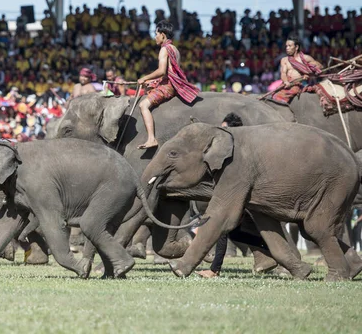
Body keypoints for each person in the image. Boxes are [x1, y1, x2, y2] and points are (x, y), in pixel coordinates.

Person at [196, 113, 268, 278]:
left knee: (222, 230)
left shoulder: (238, 147)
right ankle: (270, 249)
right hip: (237, 194)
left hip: (240, 194)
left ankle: (214, 270)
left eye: (225, 128)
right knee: (234, 234)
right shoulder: (231, 145)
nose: (222, 130)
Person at [137, 20, 200, 149]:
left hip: (169, 86)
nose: (155, 37)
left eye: (156, 34)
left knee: (143, 105)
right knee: (147, 87)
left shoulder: (164, 49)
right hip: (171, 83)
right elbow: (168, 73)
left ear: (163, 35)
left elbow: (161, 71)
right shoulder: (175, 49)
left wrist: (145, 77)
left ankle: (151, 139)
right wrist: (150, 82)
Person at [272, 34, 323, 105]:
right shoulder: (284, 60)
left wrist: (308, 73)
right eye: (286, 46)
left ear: (296, 47)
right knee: (274, 95)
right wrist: (286, 81)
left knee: (287, 95)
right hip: (286, 83)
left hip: (297, 84)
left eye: (289, 46)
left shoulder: (305, 58)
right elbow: (283, 73)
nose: (287, 48)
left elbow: (319, 66)